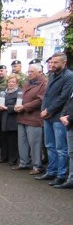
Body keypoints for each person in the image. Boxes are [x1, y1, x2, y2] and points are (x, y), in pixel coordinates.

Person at [37, 52, 73, 186]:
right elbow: (47, 95)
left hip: (59, 117)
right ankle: (51, 171)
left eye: (55, 62)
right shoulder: (52, 76)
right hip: (48, 117)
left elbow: (63, 97)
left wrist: (48, 110)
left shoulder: (69, 77)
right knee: (50, 146)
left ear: (64, 63)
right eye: (51, 62)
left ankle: (61, 174)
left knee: (61, 148)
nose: (52, 64)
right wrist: (43, 109)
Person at [13, 64, 47, 175]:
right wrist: (17, 105)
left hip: (34, 118)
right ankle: (24, 163)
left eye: (32, 71)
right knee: (22, 142)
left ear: (40, 72)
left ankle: (37, 166)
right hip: (22, 116)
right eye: (28, 71)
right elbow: (20, 97)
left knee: (35, 143)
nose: (29, 73)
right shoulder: (28, 83)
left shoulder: (44, 83)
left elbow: (40, 100)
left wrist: (24, 107)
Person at [0, 74, 21, 166]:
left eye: (13, 82)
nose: (10, 83)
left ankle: (12, 159)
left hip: (12, 118)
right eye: (9, 81)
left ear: (17, 83)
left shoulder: (19, 93)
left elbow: (18, 106)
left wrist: (7, 108)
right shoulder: (3, 92)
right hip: (2, 118)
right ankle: (4, 157)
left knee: (12, 140)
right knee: (3, 139)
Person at [56, 86, 73, 188]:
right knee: (71, 153)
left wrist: (69, 118)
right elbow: (68, 103)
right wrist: (62, 116)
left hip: (70, 121)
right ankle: (71, 179)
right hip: (70, 125)